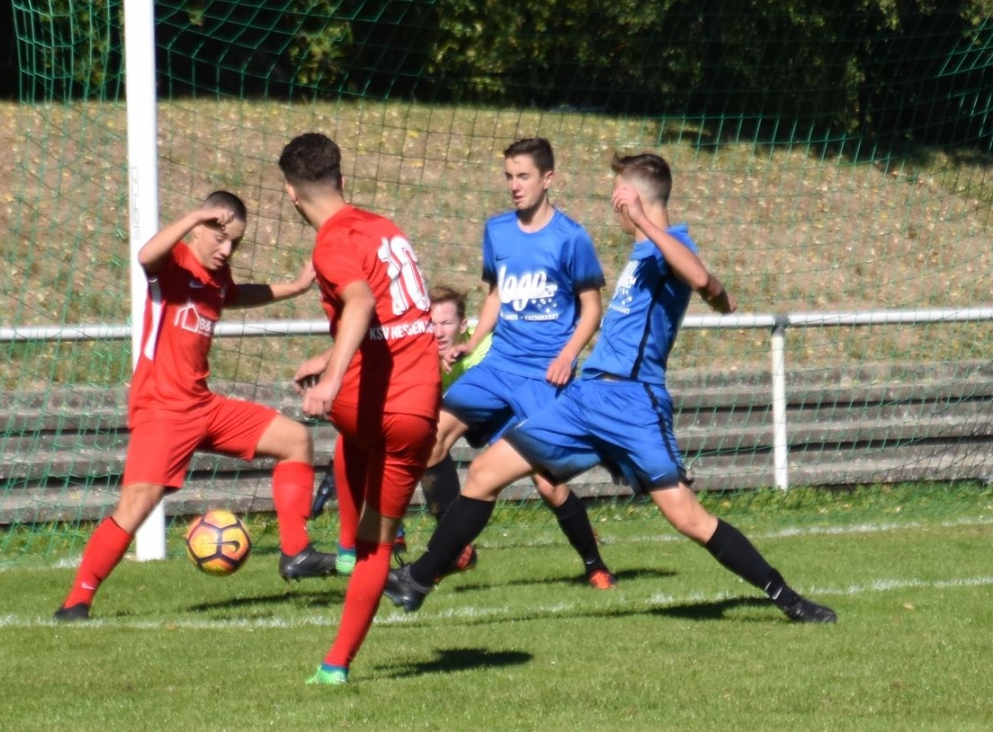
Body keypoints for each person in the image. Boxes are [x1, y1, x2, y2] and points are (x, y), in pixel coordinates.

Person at [385, 152, 838, 625]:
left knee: (688, 518)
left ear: (633, 198)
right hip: (587, 398)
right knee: (484, 472)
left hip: (632, 403)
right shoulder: (643, 254)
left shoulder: (669, 244)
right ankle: (418, 580)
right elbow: (720, 297)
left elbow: (703, 280)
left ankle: (789, 599)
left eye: (617, 195)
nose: (613, 206)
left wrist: (644, 221)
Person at [54, 190, 333, 622]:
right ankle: (76, 602)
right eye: (220, 238)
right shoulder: (173, 263)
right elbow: (145, 255)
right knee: (135, 508)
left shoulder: (217, 276)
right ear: (199, 229)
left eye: (235, 243)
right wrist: (192, 216)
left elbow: (231, 294)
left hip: (203, 406)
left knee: (295, 439)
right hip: (162, 410)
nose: (227, 250)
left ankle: (296, 551)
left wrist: (294, 287)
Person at [416, 137, 616, 589]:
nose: (514, 185)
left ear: (548, 179)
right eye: (509, 176)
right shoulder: (497, 231)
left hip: (544, 376)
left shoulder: (571, 237)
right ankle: (456, 546)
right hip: (498, 367)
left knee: (549, 483)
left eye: (523, 176)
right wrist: (472, 343)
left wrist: (567, 355)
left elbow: (591, 309)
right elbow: (496, 295)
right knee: (429, 439)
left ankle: (594, 564)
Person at [280, 132, 441, 686]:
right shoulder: (385, 227)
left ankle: (346, 546)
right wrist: (329, 356)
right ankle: (335, 663)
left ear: (291, 193)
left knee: (351, 434)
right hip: (419, 410)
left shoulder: (330, 242)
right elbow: (396, 318)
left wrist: (329, 377)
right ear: (341, 178)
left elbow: (362, 301)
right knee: (379, 543)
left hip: (365, 406)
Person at [328, 284, 492, 576]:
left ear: (464, 325)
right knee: (415, 442)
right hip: (451, 418)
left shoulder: (484, 349)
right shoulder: (419, 353)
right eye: (432, 324)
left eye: (446, 323)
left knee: (546, 480)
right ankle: (448, 545)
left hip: (499, 412)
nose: (438, 332)